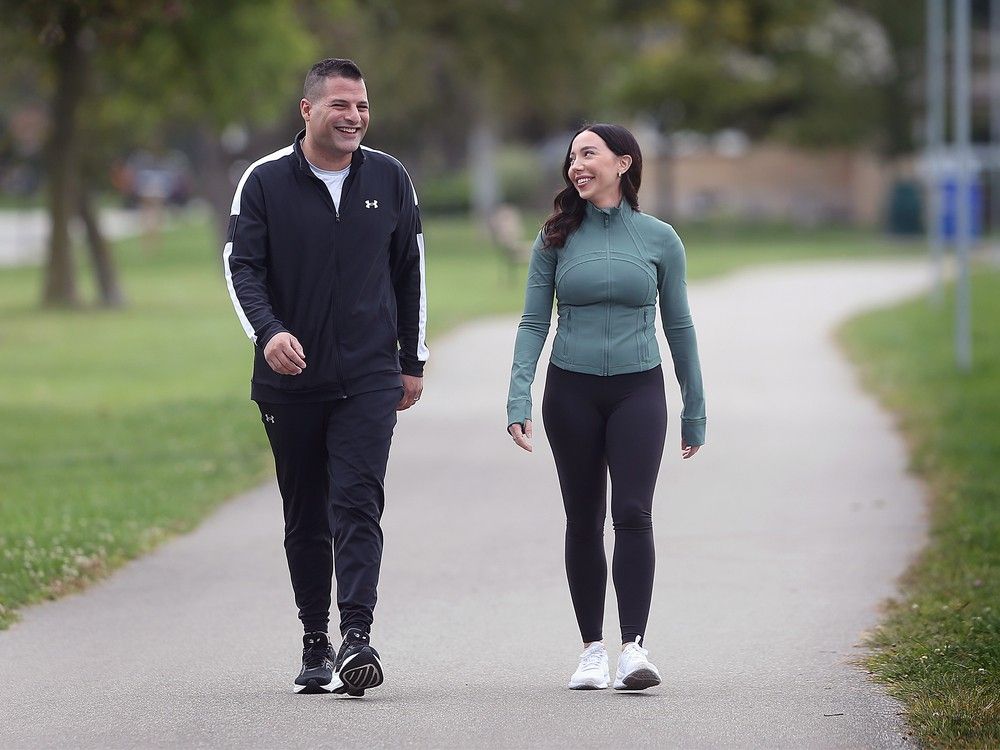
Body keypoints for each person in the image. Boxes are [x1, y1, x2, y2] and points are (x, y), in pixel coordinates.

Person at [224, 58, 428, 696]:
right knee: (306, 511)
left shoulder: (389, 177)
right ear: (307, 110)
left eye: (362, 105)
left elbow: (410, 270)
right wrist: (268, 333)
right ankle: (316, 640)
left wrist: (411, 361)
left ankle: (357, 637)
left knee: (358, 502)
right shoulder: (264, 181)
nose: (354, 116)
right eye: (341, 104)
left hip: (369, 373)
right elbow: (242, 267)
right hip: (291, 378)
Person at [506, 123, 705, 691]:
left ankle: (634, 650)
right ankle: (592, 650)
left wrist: (694, 407)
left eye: (588, 154)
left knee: (634, 512)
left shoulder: (661, 239)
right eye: (572, 157)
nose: (576, 165)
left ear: (623, 163)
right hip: (570, 393)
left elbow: (680, 325)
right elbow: (532, 322)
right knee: (583, 516)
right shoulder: (554, 239)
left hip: (638, 391)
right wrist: (518, 395)